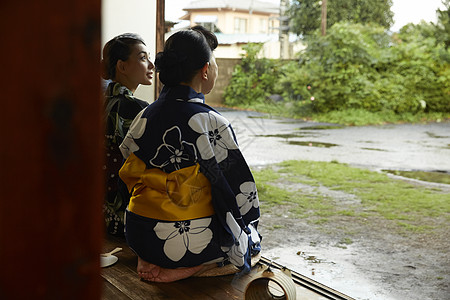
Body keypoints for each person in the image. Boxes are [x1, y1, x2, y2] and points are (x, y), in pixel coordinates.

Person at [118, 26, 262, 282]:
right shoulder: (211, 122)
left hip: (138, 232)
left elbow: (127, 156)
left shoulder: (145, 114)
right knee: (248, 239)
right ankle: (191, 267)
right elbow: (241, 192)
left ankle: (150, 256)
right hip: (181, 243)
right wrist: (246, 228)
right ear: (205, 69)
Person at [101, 33, 155, 236]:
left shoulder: (101, 103)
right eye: (142, 58)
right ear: (122, 67)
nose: (151, 65)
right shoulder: (137, 109)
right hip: (124, 215)